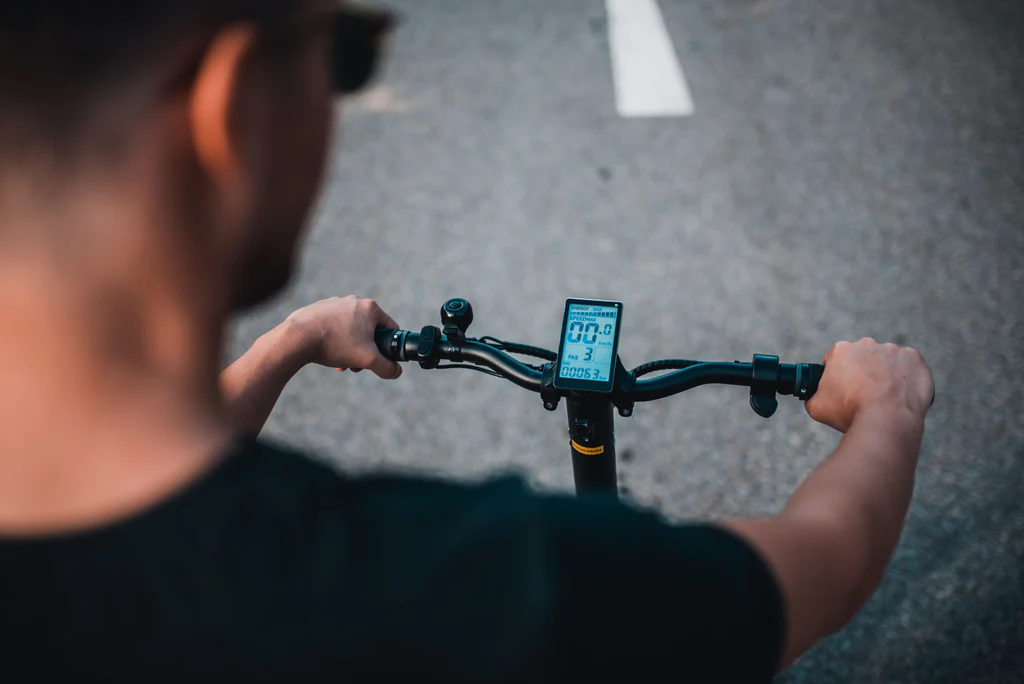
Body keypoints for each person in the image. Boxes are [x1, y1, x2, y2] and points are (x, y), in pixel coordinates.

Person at [0, 1, 935, 681]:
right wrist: (885, 411)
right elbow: (822, 562)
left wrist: (292, 339)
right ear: (234, 104)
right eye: (349, 51)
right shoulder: (477, 587)